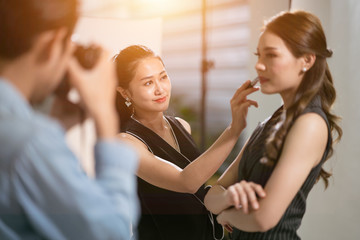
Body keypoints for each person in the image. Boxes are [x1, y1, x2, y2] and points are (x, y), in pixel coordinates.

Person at [0, 0, 139, 239]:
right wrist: (105, 115)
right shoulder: (32, 142)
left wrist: (55, 126)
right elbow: (112, 234)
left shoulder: (26, 137)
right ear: (52, 44)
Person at [204, 10, 342, 240]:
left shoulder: (309, 124)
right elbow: (211, 196)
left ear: (306, 60)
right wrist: (229, 198)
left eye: (271, 55)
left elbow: (263, 218)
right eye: (259, 55)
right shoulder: (267, 124)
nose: (259, 65)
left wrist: (224, 216)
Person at [114, 45, 259, 240]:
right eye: (148, 83)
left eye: (163, 77)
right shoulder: (127, 142)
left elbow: (197, 193)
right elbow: (186, 182)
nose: (160, 89)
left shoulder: (181, 126)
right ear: (125, 93)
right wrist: (233, 130)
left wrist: (220, 211)